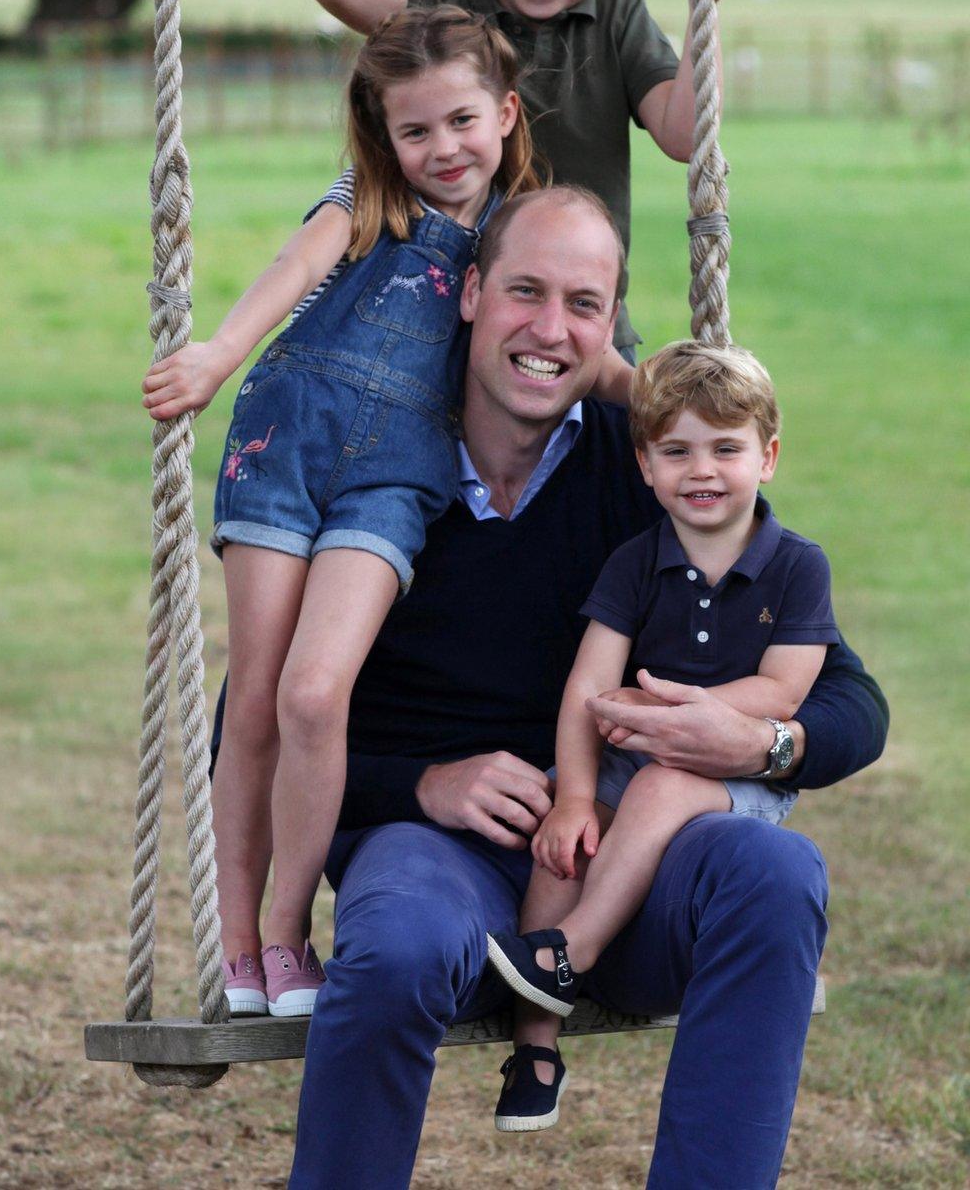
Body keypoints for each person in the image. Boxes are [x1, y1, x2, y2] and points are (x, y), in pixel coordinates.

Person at [271, 187, 888, 1189]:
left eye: (584, 304)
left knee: (772, 878)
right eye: (524, 291)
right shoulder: (377, 468)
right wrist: (421, 784)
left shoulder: (648, 469)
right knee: (391, 946)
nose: (549, 330)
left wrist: (760, 746)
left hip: (627, 862)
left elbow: (848, 703)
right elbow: (252, 729)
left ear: (609, 329)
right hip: (441, 858)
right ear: (470, 293)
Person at [141, 6, 571, 1021]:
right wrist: (215, 353)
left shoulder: (518, 230)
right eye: (414, 130)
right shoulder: (363, 199)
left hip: (397, 473)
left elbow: (559, 329)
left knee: (313, 692)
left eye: (462, 121)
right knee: (251, 699)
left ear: (505, 113)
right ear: (385, 137)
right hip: (284, 441)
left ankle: (291, 931)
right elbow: (291, 273)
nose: (442, 149)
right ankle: (237, 941)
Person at [485, 339, 840, 1132]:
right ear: (645, 465)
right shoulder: (635, 563)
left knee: (663, 782)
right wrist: (575, 797)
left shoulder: (796, 568)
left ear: (768, 457)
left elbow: (785, 689)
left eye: (726, 449)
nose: (703, 470)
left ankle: (572, 948)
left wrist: (683, 717)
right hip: (630, 750)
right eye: (677, 451)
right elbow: (587, 688)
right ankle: (536, 1043)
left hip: (736, 770)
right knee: (562, 840)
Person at [300, 0, 739, 359]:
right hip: (448, 327)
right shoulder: (450, 17)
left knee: (610, 447)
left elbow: (686, 136)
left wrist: (701, 7)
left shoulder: (617, 20)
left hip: (585, 330)